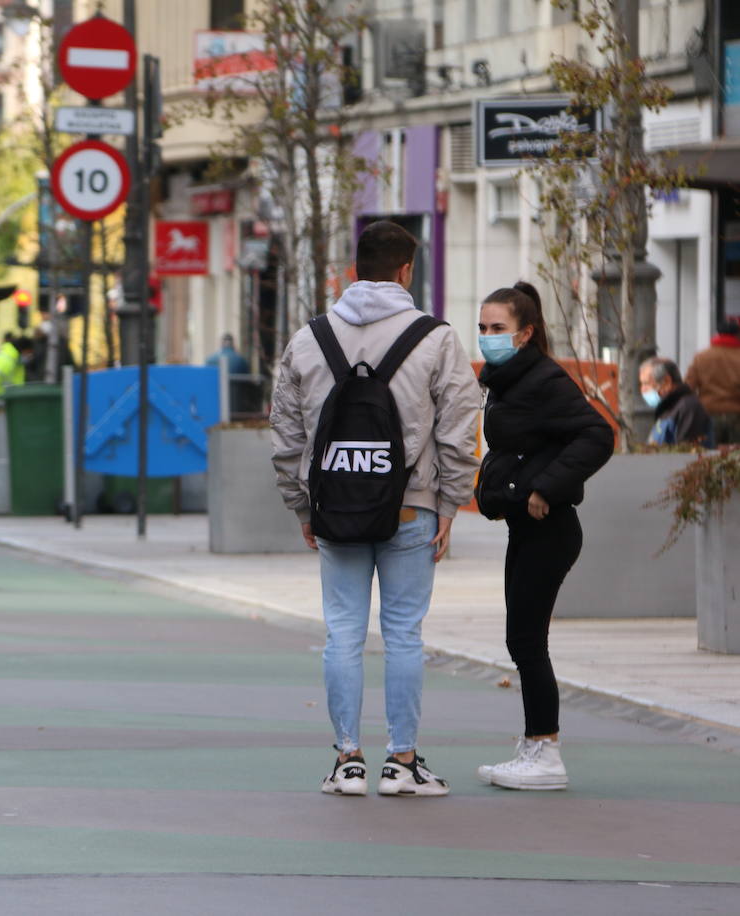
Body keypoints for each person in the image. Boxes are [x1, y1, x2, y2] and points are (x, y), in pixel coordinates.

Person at [271, 220, 481, 798]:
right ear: (406, 271)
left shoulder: (309, 338)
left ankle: (347, 760)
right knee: (404, 635)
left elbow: (285, 434)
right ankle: (402, 762)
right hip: (410, 509)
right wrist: (451, 502)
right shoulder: (436, 339)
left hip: (335, 506)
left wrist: (302, 506)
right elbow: (461, 428)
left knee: (342, 634)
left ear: (354, 268)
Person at [474, 282, 614, 790]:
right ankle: (535, 744)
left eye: (499, 329)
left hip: (548, 528)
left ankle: (545, 753)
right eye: (483, 328)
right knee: (523, 639)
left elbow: (598, 434)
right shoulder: (509, 379)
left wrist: (545, 488)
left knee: (528, 642)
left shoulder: (542, 379)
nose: (488, 338)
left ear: (525, 333)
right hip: (527, 528)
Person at [684, 319, 740, 445]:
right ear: (737, 335)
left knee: (709, 456)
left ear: (718, 334)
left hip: (708, 413)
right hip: (737, 414)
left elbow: (688, 387)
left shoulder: (702, 357)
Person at [641, 357, 713, 448]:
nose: (643, 389)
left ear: (667, 381)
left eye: (646, 383)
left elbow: (686, 452)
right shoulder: (668, 407)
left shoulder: (688, 408)